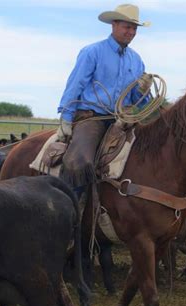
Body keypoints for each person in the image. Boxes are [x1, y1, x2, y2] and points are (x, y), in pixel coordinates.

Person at [56, 4, 152, 190]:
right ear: (114, 25)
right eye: (127, 27)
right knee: (80, 162)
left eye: (134, 28)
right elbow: (75, 84)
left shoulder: (137, 60)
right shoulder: (93, 52)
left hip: (123, 120)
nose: (131, 32)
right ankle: (70, 207)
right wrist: (66, 117)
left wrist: (143, 91)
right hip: (93, 117)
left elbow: (137, 100)